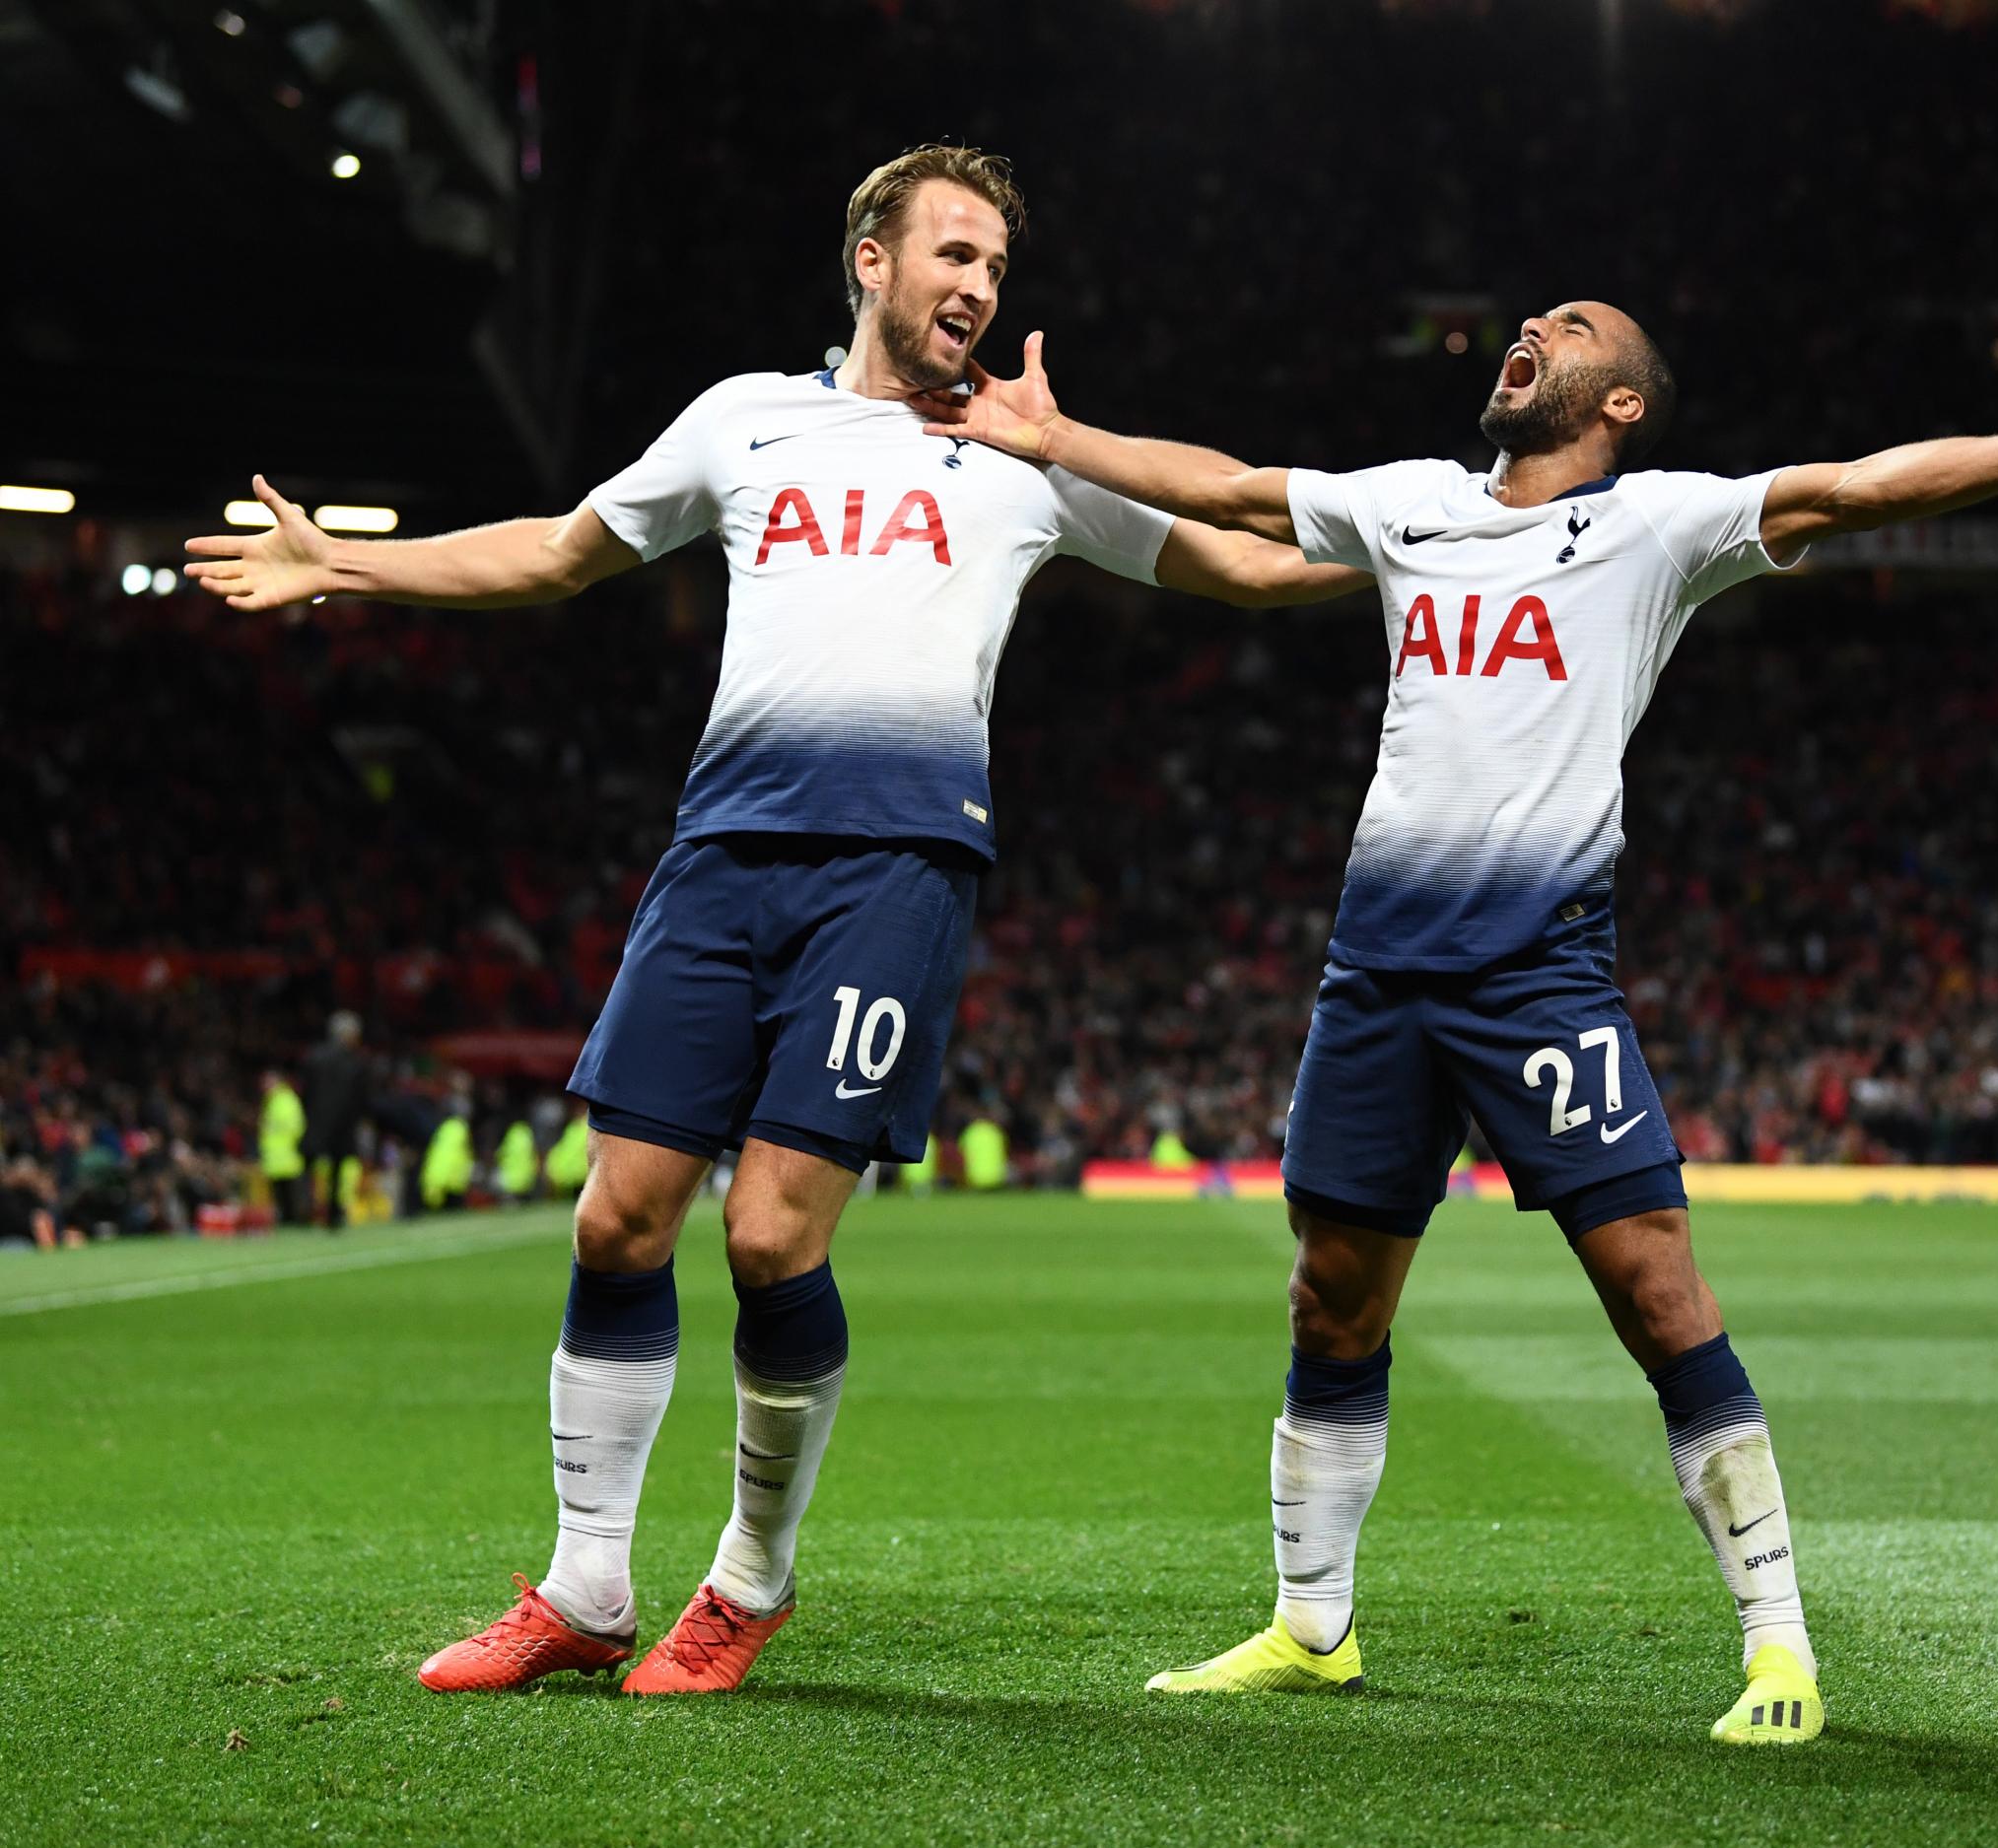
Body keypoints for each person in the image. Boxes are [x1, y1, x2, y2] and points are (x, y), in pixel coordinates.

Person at [924, 307, 1998, 1743]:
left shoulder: (1660, 526)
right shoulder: (1414, 503)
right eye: (1532, 317)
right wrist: (1054, 439)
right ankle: (1312, 1626)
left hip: (1538, 972)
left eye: (1571, 328)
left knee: (1656, 1289)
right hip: (1379, 971)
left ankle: (1781, 1643)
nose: (1530, 328)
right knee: (1332, 1294)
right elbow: (1235, 491)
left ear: (1618, 402)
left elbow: (1858, 485)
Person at [184, 143, 1359, 1696]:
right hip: (720, 858)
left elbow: (1241, 565)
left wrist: (1426, 537)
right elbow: (555, 551)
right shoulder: (745, 420)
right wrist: (345, 560)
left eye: (997, 268)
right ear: (870, 259)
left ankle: (749, 1581)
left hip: (894, 872)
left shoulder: (1028, 453)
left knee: (766, 1231)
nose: (980, 289)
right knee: (617, 1218)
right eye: (954, 255)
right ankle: (588, 1588)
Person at [298, 1012, 373, 1232]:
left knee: (308, 1166)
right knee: (336, 1171)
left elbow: (305, 1091)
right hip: (342, 1124)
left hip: (316, 1120)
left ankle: (304, 1211)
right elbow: (361, 1098)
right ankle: (332, 1214)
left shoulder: (314, 1056)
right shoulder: (355, 1062)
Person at [258, 1069, 309, 1225]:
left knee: (293, 1194)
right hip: (275, 1157)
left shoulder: (286, 1100)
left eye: (267, 1081)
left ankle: (298, 1220)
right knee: (281, 1195)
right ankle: (287, 1219)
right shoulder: (272, 1100)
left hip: (288, 1155)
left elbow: (296, 1127)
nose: (264, 1085)